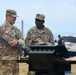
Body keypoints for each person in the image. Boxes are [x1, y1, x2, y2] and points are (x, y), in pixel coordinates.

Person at [0, 9, 25, 75]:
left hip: (15, 59)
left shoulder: (15, 29)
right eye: (13, 17)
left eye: (15, 17)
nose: (15, 19)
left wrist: (18, 42)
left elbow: (23, 41)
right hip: (6, 60)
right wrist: (18, 42)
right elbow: (11, 42)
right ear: (7, 16)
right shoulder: (3, 28)